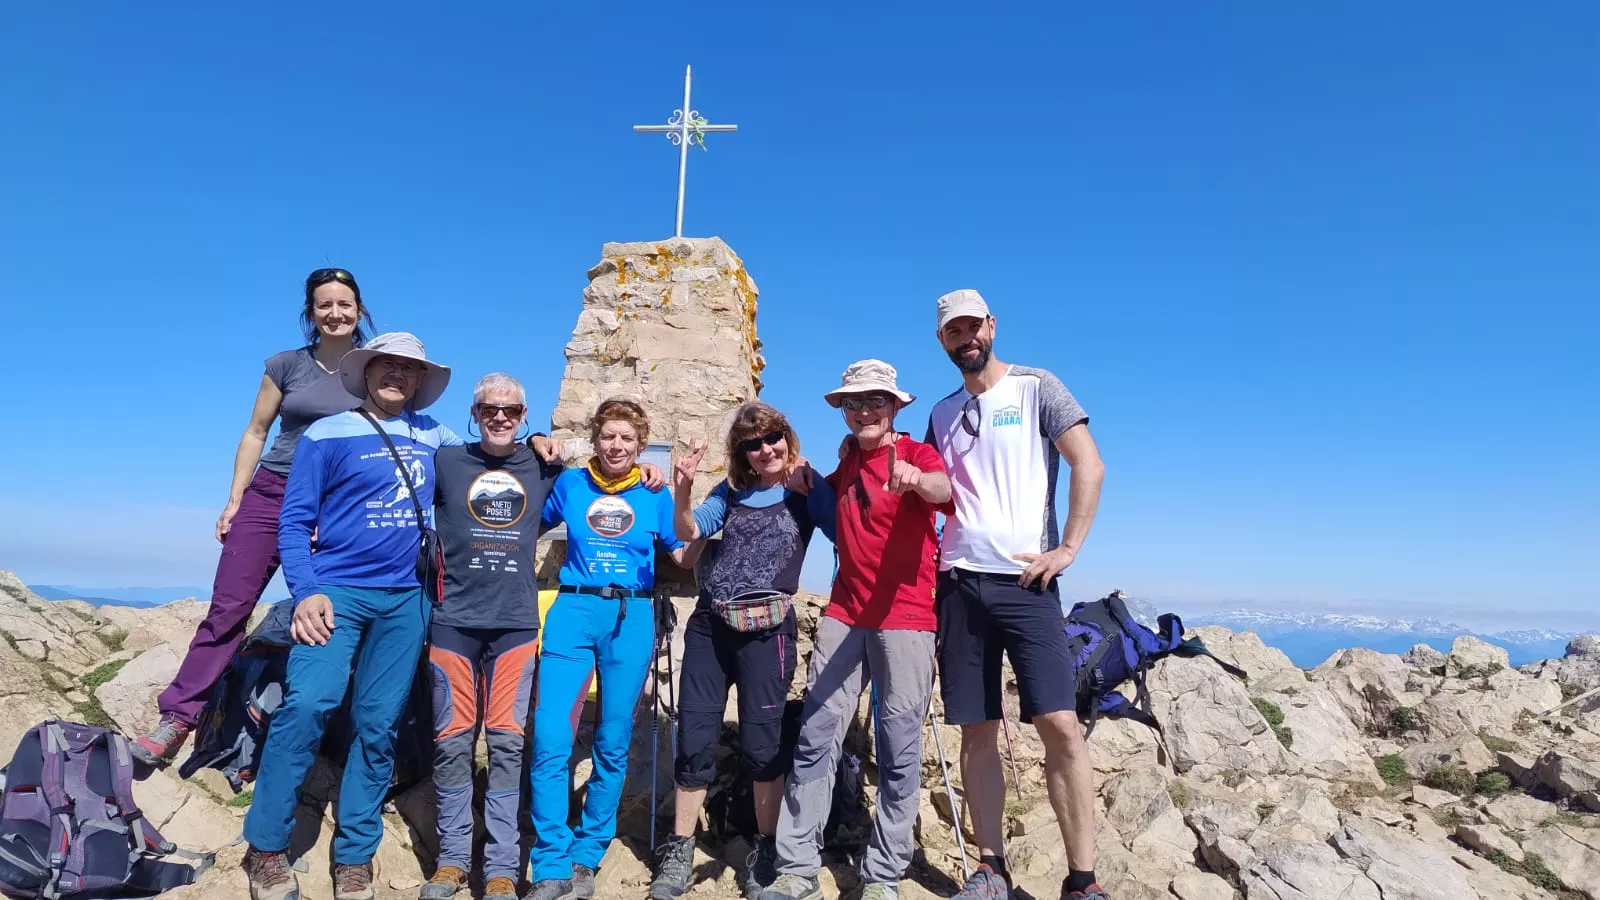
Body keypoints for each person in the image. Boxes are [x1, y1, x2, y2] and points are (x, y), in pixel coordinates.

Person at [237, 332, 457, 900]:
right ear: (366, 371)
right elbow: (293, 521)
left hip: (407, 598)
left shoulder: (437, 437)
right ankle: (265, 846)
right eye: (387, 365)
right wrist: (305, 591)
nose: (397, 375)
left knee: (379, 724)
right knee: (308, 704)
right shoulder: (327, 433)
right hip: (336, 593)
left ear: (420, 380)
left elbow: (489, 470)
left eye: (409, 369)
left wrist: (539, 444)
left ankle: (355, 854)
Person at [132, 268, 373, 766]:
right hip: (272, 491)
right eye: (324, 305)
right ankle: (178, 716)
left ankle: (312, 727)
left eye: (344, 304)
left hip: (335, 501)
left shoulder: (373, 368)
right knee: (229, 607)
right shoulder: (286, 365)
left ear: (359, 309)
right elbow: (256, 432)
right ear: (311, 312)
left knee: (330, 614)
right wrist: (235, 499)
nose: (335, 313)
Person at [924, 290, 1107, 900]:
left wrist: (1068, 548)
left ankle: (1082, 881)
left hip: (1029, 583)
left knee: (1060, 724)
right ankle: (991, 869)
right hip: (958, 584)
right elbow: (933, 492)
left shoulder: (1037, 387)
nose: (966, 338)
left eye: (973, 326)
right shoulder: (942, 412)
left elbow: (1088, 464)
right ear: (942, 340)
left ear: (992, 326)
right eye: (954, 331)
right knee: (975, 729)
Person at [760, 360, 953, 900]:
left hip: (907, 618)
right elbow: (825, 502)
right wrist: (802, 477)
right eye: (854, 403)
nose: (865, 411)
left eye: (875, 401)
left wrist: (917, 480)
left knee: (899, 747)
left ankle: (884, 875)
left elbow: (943, 489)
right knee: (816, 736)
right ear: (843, 412)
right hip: (845, 614)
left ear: (895, 406)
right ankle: (797, 867)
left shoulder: (916, 453)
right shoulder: (847, 461)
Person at [649, 402, 837, 900]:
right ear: (741, 453)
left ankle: (767, 849)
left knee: (762, 745)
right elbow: (689, 531)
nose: (765, 449)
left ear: (786, 437)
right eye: (752, 443)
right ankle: (680, 849)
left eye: (772, 437)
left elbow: (845, 531)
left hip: (769, 634)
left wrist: (818, 482)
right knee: (695, 737)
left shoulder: (804, 490)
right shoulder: (728, 493)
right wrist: (683, 486)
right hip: (711, 627)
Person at [526, 399, 706, 900]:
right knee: (550, 736)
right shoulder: (571, 483)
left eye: (627, 438)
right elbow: (525, 521)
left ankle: (587, 854)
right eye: (608, 435)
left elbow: (682, 554)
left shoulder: (655, 491)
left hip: (632, 617)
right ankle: (550, 861)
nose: (617, 446)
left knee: (612, 739)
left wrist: (700, 520)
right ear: (595, 438)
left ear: (641, 444)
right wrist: (532, 443)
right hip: (572, 610)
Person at [420, 374, 563, 900]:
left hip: (514, 626)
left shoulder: (543, 465)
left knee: (506, 743)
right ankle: (453, 860)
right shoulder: (447, 462)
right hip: (453, 622)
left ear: (525, 415)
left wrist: (652, 475)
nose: (500, 417)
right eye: (489, 409)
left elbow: (604, 477)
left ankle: (502, 866)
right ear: (474, 412)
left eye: (512, 410)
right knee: (452, 741)